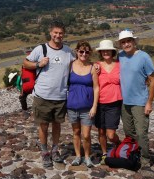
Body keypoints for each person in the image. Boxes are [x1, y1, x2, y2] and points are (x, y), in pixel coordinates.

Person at [24, 20, 75, 168]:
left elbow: (77, 65)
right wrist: (37, 64)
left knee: (57, 125)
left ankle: (55, 149)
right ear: (50, 33)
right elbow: (25, 63)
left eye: (61, 33)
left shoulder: (67, 51)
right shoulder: (40, 49)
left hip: (60, 95)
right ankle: (45, 151)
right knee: (43, 125)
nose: (58, 35)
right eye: (55, 33)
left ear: (63, 34)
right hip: (43, 95)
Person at [117, 29, 154, 168]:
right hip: (124, 102)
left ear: (134, 42)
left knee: (141, 133)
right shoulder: (120, 56)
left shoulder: (144, 57)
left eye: (129, 41)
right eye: (123, 42)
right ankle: (134, 154)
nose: (126, 44)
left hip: (140, 102)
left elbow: (153, 80)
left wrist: (149, 102)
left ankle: (145, 160)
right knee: (129, 132)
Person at [67, 40, 99, 168]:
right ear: (77, 51)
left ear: (89, 53)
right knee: (76, 132)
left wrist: (94, 106)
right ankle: (78, 156)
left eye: (86, 52)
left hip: (87, 107)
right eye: (81, 51)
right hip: (72, 106)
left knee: (86, 135)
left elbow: (96, 88)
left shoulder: (92, 68)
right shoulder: (70, 65)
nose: (84, 54)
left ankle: (87, 156)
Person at [94, 39, 122, 165]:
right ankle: (105, 153)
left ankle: (118, 144)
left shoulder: (120, 65)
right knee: (101, 131)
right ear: (100, 52)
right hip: (100, 102)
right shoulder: (96, 66)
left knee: (111, 134)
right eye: (103, 51)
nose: (106, 52)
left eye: (108, 50)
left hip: (114, 103)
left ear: (112, 51)